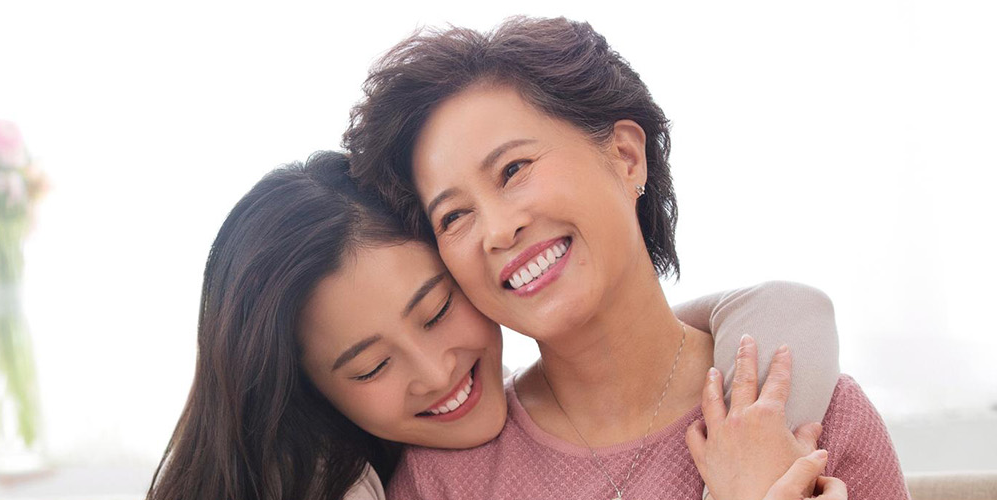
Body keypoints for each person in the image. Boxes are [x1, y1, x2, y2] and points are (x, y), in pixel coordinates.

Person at [342, 16, 907, 499]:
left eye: (513, 170)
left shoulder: (817, 418)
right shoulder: (443, 479)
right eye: (453, 216)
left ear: (626, 155)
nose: (497, 229)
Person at [146, 152, 846, 500]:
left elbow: (788, 315)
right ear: (309, 393)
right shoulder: (382, 484)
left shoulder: (808, 408)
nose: (435, 371)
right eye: (369, 368)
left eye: (436, 309)